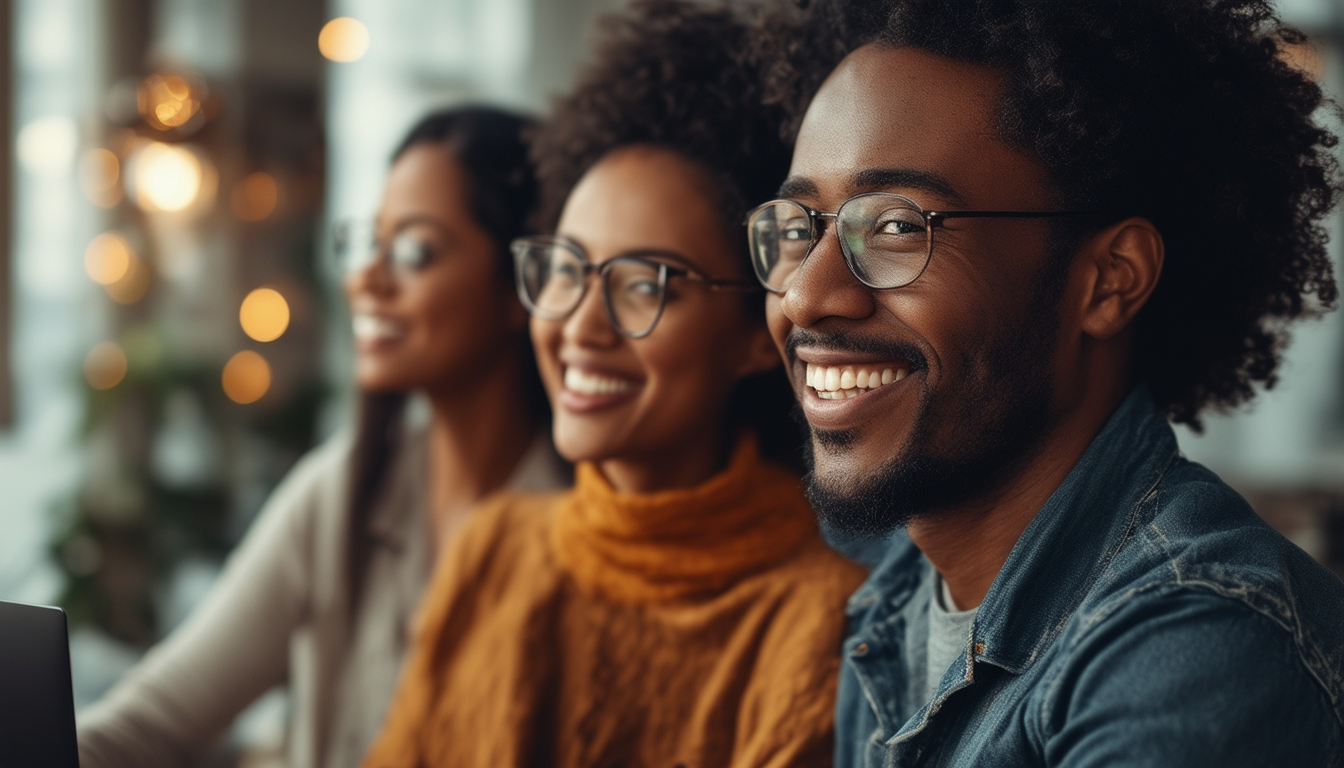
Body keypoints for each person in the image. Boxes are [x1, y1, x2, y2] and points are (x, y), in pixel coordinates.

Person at [745, 1, 1344, 765]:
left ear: (1108, 282)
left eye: (897, 225)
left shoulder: (1199, 652)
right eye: (800, 226)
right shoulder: (901, 585)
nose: (804, 294)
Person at [362, 3, 866, 767]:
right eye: (565, 269)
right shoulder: (492, 549)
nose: (578, 325)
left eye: (644, 283)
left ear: (752, 337)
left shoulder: (818, 621)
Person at [77, 107, 569, 768]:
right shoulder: (342, 491)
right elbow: (152, 721)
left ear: (522, 288)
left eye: (416, 251)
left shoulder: (581, 529)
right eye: (371, 242)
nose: (366, 277)